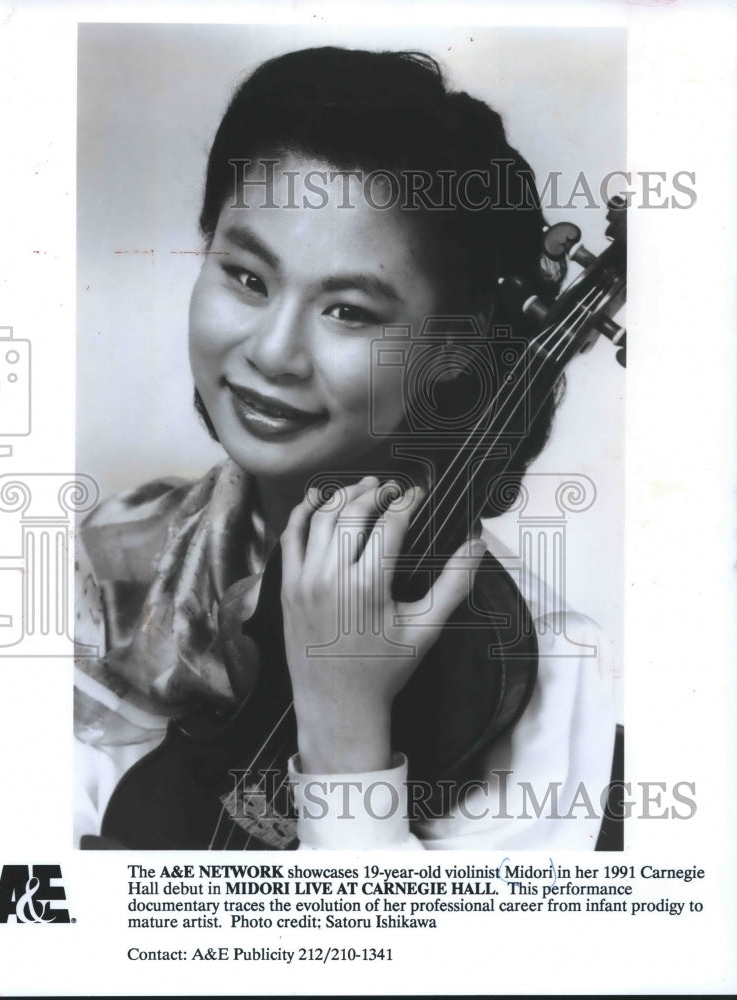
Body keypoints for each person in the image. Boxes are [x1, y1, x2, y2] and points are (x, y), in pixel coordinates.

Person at [74, 46, 619, 851]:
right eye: (248, 279)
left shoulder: (551, 663)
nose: (274, 352)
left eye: (351, 312)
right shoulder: (107, 558)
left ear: (455, 352)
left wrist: (344, 732)